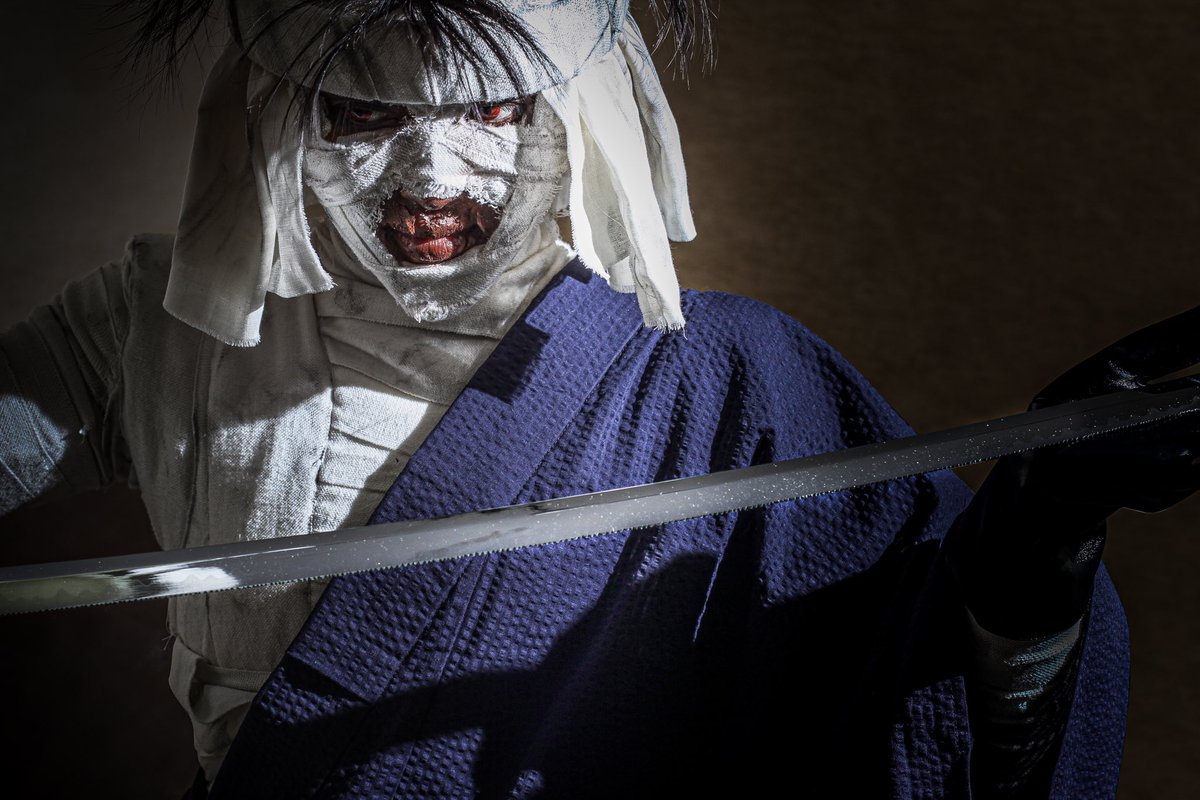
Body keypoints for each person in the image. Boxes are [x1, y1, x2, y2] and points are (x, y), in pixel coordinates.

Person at [0, 1, 1195, 797]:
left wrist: (1032, 546)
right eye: (362, 112)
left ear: (581, 108)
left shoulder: (727, 380)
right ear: (273, 105)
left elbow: (928, 700)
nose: (430, 179)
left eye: (492, 110)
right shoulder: (161, 325)